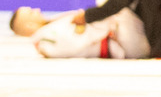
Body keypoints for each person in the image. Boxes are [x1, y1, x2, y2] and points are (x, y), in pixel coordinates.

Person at [11, 6, 149, 59]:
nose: (37, 10)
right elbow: (76, 43)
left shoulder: (50, 28)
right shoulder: (46, 43)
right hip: (119, 42)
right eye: (31, 12)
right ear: (29, 26)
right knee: (120, 0)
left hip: (120, 33)